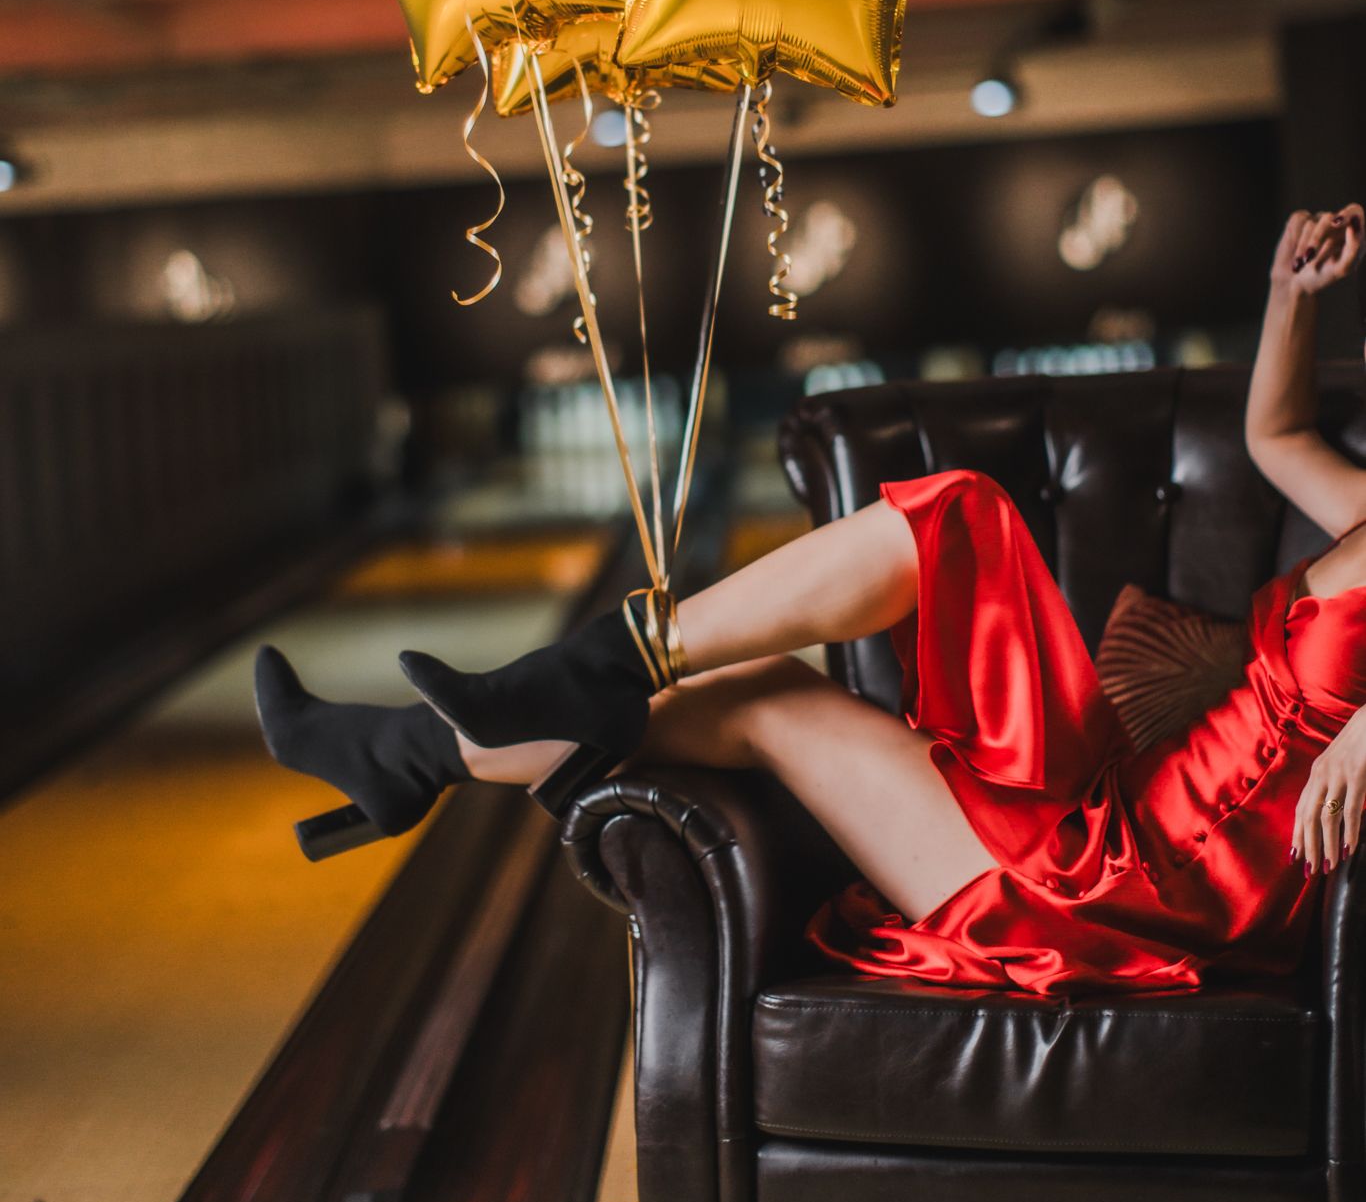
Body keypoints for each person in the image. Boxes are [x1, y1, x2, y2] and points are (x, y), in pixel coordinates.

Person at [256, 204, 1366, 998]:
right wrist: (1287, 296)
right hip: (1115, 795)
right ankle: (476, 722)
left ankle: (417, 750)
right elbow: (1277, 436)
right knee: (961, 511)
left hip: (1122, 883)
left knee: (758, 694)